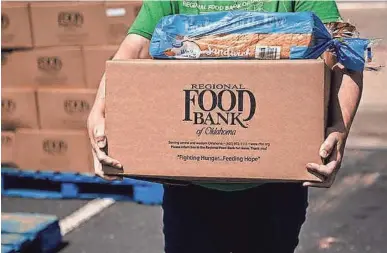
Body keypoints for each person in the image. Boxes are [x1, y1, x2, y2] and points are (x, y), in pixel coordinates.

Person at [87, 1, 363, 252]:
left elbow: (344, 53)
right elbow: (133, 50)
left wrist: (339, 127)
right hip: (190, 184)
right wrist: (99, 112)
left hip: (277, 185)